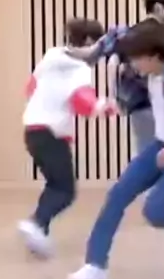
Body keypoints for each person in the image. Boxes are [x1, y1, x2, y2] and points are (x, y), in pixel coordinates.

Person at [66, 19, 164, 279]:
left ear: (154, 57)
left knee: (155, 211)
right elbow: (119, 33)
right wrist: (91, 53)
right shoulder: (146, 72)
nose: (132, 64)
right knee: (117, 196)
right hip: (160, 146)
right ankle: (95, 265)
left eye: (137, 59)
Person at [69, 0, 164, 212]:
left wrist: (68, 53)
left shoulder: (128, 34)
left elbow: (95, 55)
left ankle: (151, 197)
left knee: (146, 152)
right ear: (159, 7)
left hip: (139, 104)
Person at [19, 18, 116, 258]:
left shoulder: (51, 55)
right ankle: (36, 223)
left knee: (54, 184)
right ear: (89, 41)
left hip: (32, 130)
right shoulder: (80, 69)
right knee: (65, 191)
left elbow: (30, 88)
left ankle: (39, 232)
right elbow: (83, 103)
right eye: (98, 44)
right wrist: (106, 107)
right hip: (52, 134)